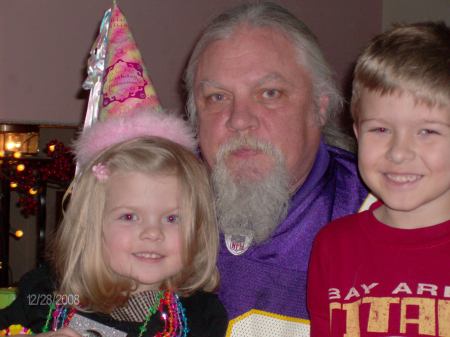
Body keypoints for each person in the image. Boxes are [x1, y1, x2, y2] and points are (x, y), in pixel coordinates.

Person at [184, 1, 369, 334]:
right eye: (216, 97)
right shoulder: (159, 215)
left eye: (270, 93)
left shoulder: (383, 218)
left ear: (320, 107)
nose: (239, 120)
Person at [0, 112, 228, 337]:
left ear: (198, 229)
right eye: (129, 217)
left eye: (172, 218)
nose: (152, 233)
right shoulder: (44, 294)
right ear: (91, 224)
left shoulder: (203, 316)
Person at [307, 22, 450, 337]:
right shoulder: (333, 247)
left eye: (427, 131)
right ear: (357, 132)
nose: (398, 153)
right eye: (380, 129)